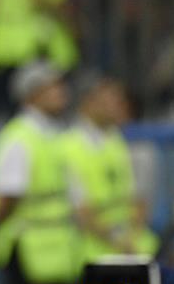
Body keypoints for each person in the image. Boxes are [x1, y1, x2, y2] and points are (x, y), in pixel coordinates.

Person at [0, 60, 80, 284]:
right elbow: (6, 198)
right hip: (27, 251)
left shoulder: (53, 133)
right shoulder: (20, 137)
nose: (62, 92)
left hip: (54, 250)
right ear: (31, 95)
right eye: (52, 87)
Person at [62, 74, 159, 262]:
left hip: (133, 247)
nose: (117, 105)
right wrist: (119, 242)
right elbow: (80, 211)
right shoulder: (69, 146)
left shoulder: (117, 140)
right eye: (109, 99)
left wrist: (131, 238)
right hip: (93, 253)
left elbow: (139, 198)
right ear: (89, 102)